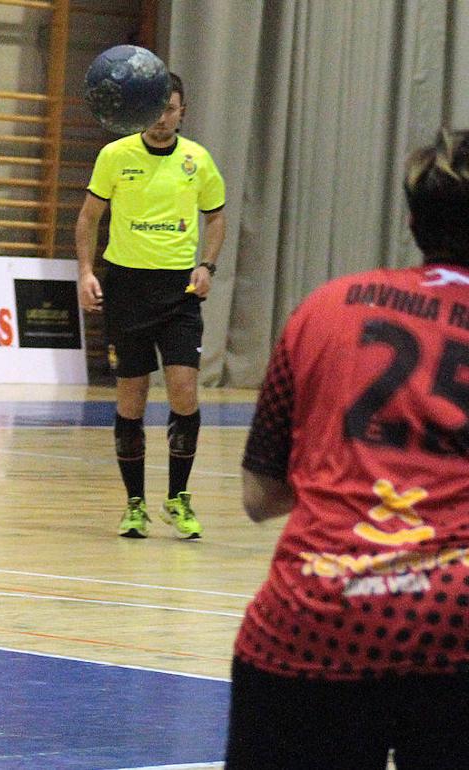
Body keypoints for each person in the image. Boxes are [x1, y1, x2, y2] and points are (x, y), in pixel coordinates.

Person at [228, 130, 469, 768]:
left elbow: (260, 495)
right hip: (458, 624)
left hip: (315, 618)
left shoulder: (326, 308)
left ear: (413, 222)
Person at [75, 72, 226, 539]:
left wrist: (207, 265)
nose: (163, 118)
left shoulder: (198, 160)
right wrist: (86, 272)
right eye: (156, 109)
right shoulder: (115, 156)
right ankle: (134, 503)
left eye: (171, 109)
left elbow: (216, 217)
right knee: (131, 397)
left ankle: (178, 498)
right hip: (126, 289)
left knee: (184, 391)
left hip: (179, 293)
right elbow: (89, 218)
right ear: (143, 111)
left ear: (183, 112)